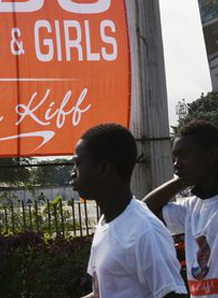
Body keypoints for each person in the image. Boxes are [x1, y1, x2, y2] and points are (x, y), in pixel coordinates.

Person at [71, 123, 187, 298]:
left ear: (103, 169)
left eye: (78, 163)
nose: (73, 172)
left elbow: (172, 294)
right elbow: (105, 291)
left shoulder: (144, 231)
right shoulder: (107, 222)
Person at [144, 120, 218, 297]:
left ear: (211, 155)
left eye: (183, 156)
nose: (176, 164)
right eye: (174, 158)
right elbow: (145, 212)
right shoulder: (191, 207)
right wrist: (182, 179)